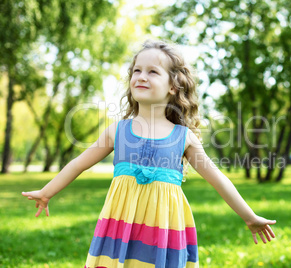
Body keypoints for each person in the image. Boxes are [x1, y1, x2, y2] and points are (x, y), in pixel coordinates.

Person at [21, 40, 276, 268]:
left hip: (163, 230)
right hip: (120, 225)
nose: (141, 76)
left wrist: (249, 216)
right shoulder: (117, 131)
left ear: (174, 86)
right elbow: (78, 164)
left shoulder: (183, 137)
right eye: (137, 70)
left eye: (153, 71)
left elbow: (217, 178)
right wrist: (47, 192)